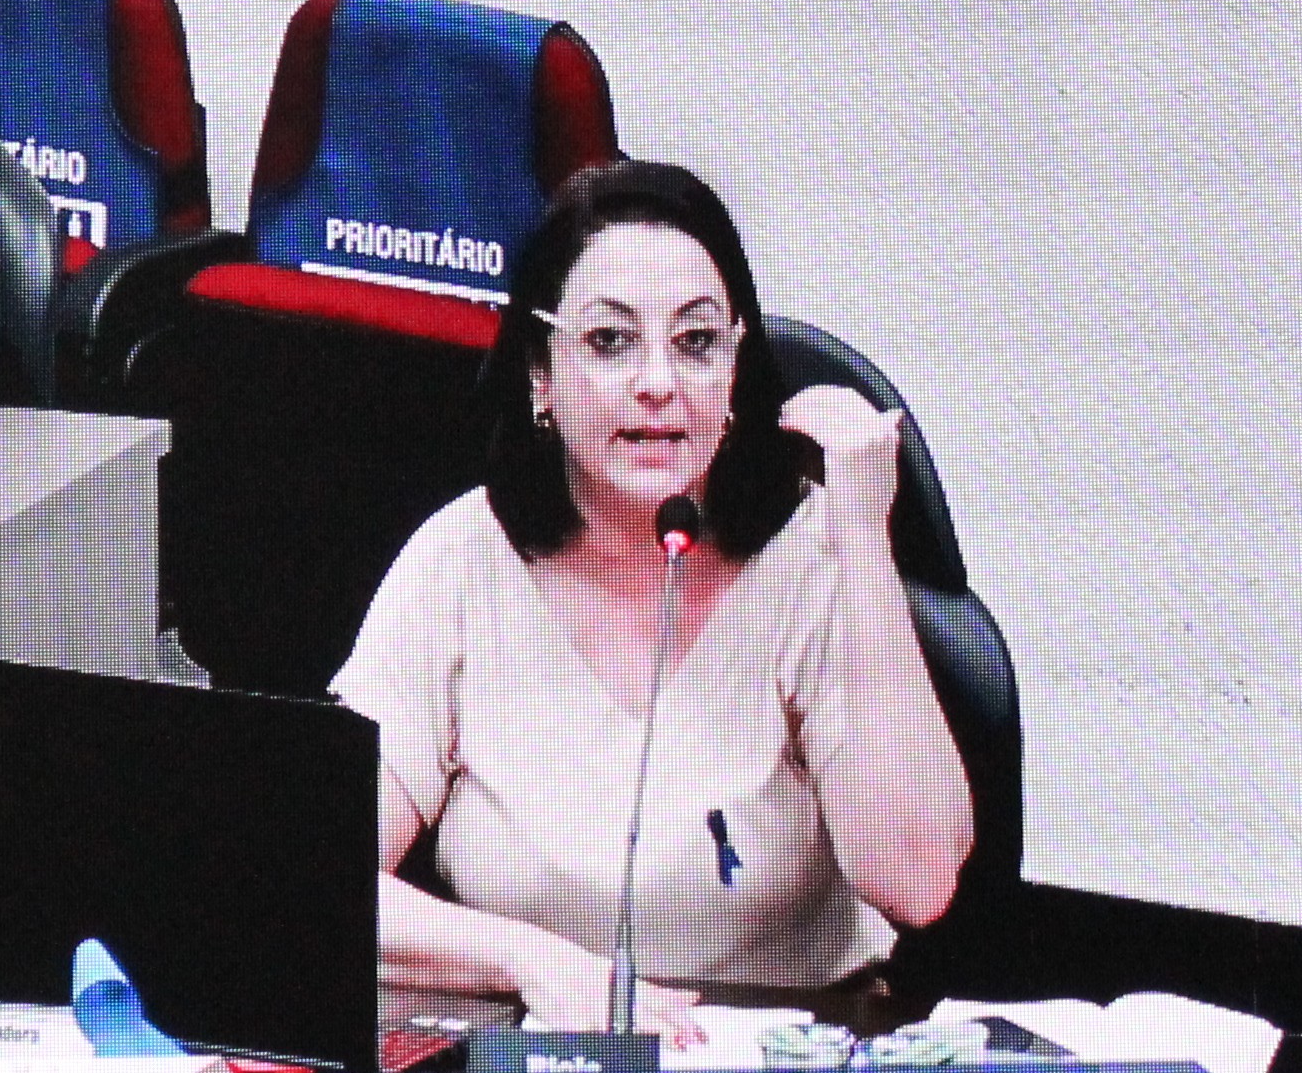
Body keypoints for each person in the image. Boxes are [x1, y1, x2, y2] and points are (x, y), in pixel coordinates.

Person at [334, 160, 975, 1027]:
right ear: (540, 373)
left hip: (783, 1063)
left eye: (696, 342)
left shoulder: (816, 556)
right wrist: (531, 961)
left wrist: (864, 538)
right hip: (539, 1056)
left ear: (736, 368)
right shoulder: (460, 561)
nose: (658, 383)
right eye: (609, 341)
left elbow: (919, 882)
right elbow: (319, 877)